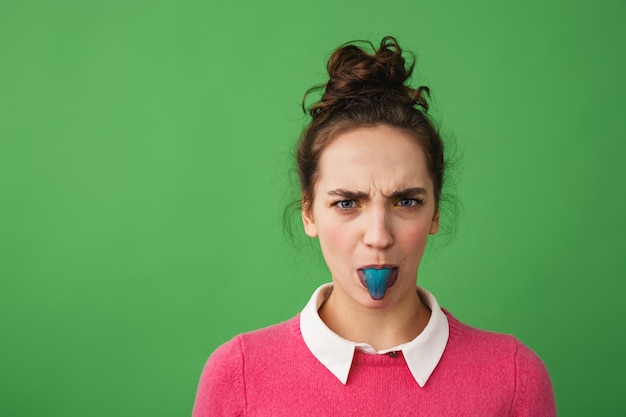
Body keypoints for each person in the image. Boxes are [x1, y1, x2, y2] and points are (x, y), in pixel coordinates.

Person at [192, 36, 556, 416]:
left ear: (434, 213)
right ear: (309, 213)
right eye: (347, 203)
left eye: (406, 202)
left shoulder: (515, 378)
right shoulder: (239, 375)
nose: (379, 237)